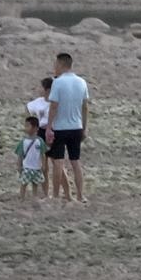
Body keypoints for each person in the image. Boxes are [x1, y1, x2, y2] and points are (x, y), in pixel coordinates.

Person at [49, 52, 90, 202]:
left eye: (56, 64)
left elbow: (54, 106)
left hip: (60, 127)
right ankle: (80, 194)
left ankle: (55, 195)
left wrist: (49, 126)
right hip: (76, 126)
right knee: (75, 161)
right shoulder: (82, 82)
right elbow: (85, 107)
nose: (54, 67)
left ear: (61, 64)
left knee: (58, 162)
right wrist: (85, 127)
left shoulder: (58, 82)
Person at [17, 115, 47, 200]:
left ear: (35, 128)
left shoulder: (40, 141)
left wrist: (43, 165)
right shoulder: (23, 141)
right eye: (25, 126)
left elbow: (42, 154)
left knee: (35, 183)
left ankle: (34, 197)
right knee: (24, 183)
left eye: (28, 126)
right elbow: (20, 154)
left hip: (36, 167)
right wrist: (19, 165)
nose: (26, 128)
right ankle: (22, 197)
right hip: (26, 166)